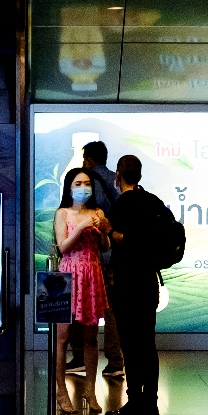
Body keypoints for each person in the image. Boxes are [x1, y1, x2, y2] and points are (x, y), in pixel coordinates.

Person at [103, 153, 163, 415]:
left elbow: (128, 241)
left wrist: (110, 230)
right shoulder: (152, 201)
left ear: (118, 175)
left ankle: (135, 403)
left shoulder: (124, 204)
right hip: (149, 282)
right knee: (147, 344)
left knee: (130, 345)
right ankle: (151, 403)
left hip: (128, 284)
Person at [53, 165, 111, 414]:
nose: (83, 188)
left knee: (91, 337)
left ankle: (90, 390)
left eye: (87, 184)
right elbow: (63, 247)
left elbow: (105, 247)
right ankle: (61, 391)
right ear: (69, 188)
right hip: (68, 276)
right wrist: (81, 226)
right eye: (78, 184)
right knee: (62, 337)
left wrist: (103, 230)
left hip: (92, 274)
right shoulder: (63, 213)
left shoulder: (97, 212)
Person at [66, 141, 126, 379]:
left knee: (80, 306)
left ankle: (79, 357)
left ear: (89, 159)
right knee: (111, 311)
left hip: (91, 257)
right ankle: (115, 361)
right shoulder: (115, 180)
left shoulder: (88, 182)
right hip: (113, 252)